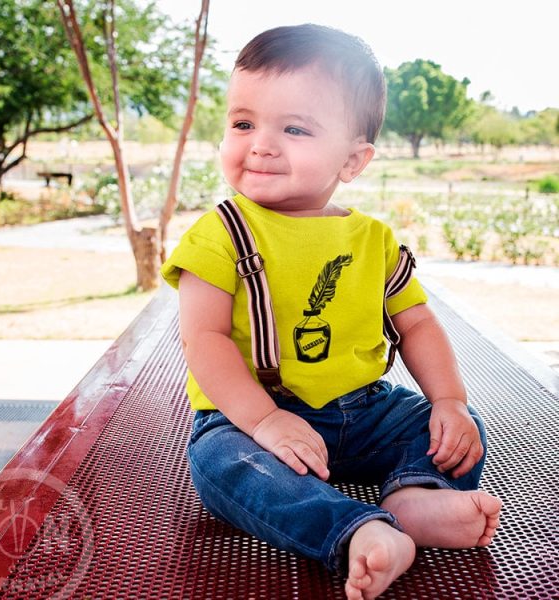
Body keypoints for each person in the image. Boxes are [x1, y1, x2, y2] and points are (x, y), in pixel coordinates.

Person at [161, 23, 502, 600]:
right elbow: (205, 342)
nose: (260, 144)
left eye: (294, 128)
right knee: (221, 463)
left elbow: (417, 322)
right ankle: (356, 530)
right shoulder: (219, 234)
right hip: (255, 417)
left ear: (353, 159)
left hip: (364, 413)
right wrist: (265, 421)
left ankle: (412, 499)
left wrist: (449, 400)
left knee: (453, 430)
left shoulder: (372, 239)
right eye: (243, 123)